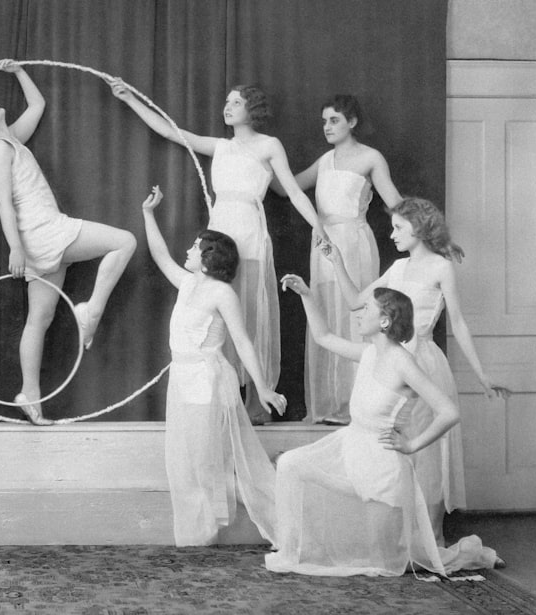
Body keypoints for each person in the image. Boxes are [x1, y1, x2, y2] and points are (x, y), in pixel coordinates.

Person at [112, 80, 324, 424]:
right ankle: (220, 403)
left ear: (251, 109)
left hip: (250, 235)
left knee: (249, 320)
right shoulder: (221, 146)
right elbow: (171, 132)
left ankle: (258, 405)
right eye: (227, 101)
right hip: (220, 232)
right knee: (212, 319)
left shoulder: (269, 146)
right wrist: (129, 98)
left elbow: (294, 193)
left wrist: (319, 227)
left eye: (236, 102)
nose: (228, 107)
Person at [267, 275, 500, 577]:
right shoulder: (368, 353)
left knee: (392, 563)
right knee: (290, 464)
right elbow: (323, 337)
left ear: (386, 321)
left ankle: (470, 554)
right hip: (349, 451)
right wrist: (306, 295)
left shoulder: (403, 362)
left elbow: (448, 411)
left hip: (382, 471)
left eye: (367, 310)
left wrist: (412, 446)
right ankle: (289, 549)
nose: (360, 314)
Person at [0, 60, 137, 425]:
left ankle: (31, 396)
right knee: (125, 241)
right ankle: (92, 309)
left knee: (39, 319)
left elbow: (37, 105)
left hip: (42, 237)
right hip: (45, 233)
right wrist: (16, 248)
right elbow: (4, 205)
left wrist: (18, 71)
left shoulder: (9, 140)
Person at [323, 197, 510, 543]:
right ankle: (397, 536)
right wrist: (337, 262)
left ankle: (430, 540)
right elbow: (354, 302)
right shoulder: (396, 268)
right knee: (389, 444)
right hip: (389, 360)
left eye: (398, 228)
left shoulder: (441, 268)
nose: (392, 235)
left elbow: (459, 324)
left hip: (423, 362)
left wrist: (482, 375)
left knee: (425, 452)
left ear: (419, 230)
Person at [141, 186, 285, 546]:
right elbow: (160, 256)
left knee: (209, 465)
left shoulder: (222, 293)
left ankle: (286, 519)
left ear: (209, 258)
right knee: (189, 463)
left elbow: (243, 342)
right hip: (184, 380)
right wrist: (148, 214)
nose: (188, 250)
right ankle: (199, 533)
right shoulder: (188, 283)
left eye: (194, 246)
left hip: (208, 382)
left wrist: (263, 387)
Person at [274, 94, 402, 425]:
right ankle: (327, 404)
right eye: (324, 121)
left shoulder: (371, 158)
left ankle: (355, 405)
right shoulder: (324, 161)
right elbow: (285, 187)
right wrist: (260, 163)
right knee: (326, 314)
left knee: (356, 316)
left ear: (352, 122)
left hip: (356, 244)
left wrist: (424, 229)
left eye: (334, 120)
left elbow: (395, 203)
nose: (327, 127)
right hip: (324, 243)